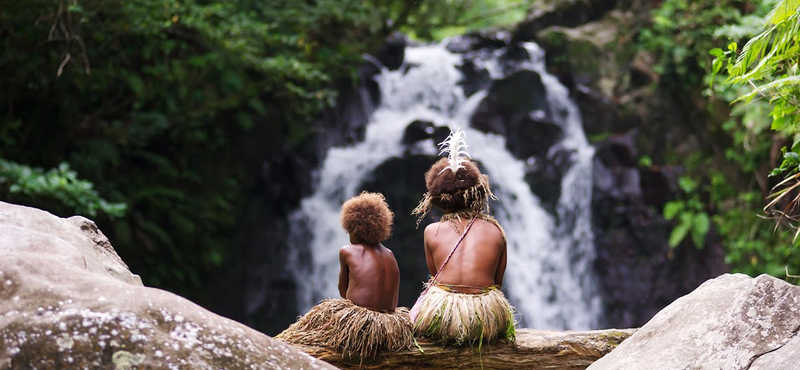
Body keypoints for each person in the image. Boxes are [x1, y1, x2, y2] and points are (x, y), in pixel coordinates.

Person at [410, 128, 516, 345]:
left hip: (442, 316)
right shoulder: (496, 231)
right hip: (485, 316)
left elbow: (436, 277)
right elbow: (497, 283)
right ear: (478, 194)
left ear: (437, 200)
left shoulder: (432, 231)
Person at [275, 192, 413, 358]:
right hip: (390, 325)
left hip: (360, 324)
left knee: (313, 325)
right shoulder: (390, 254)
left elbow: (343, 292)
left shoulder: (348, 251)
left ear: (354, 228)